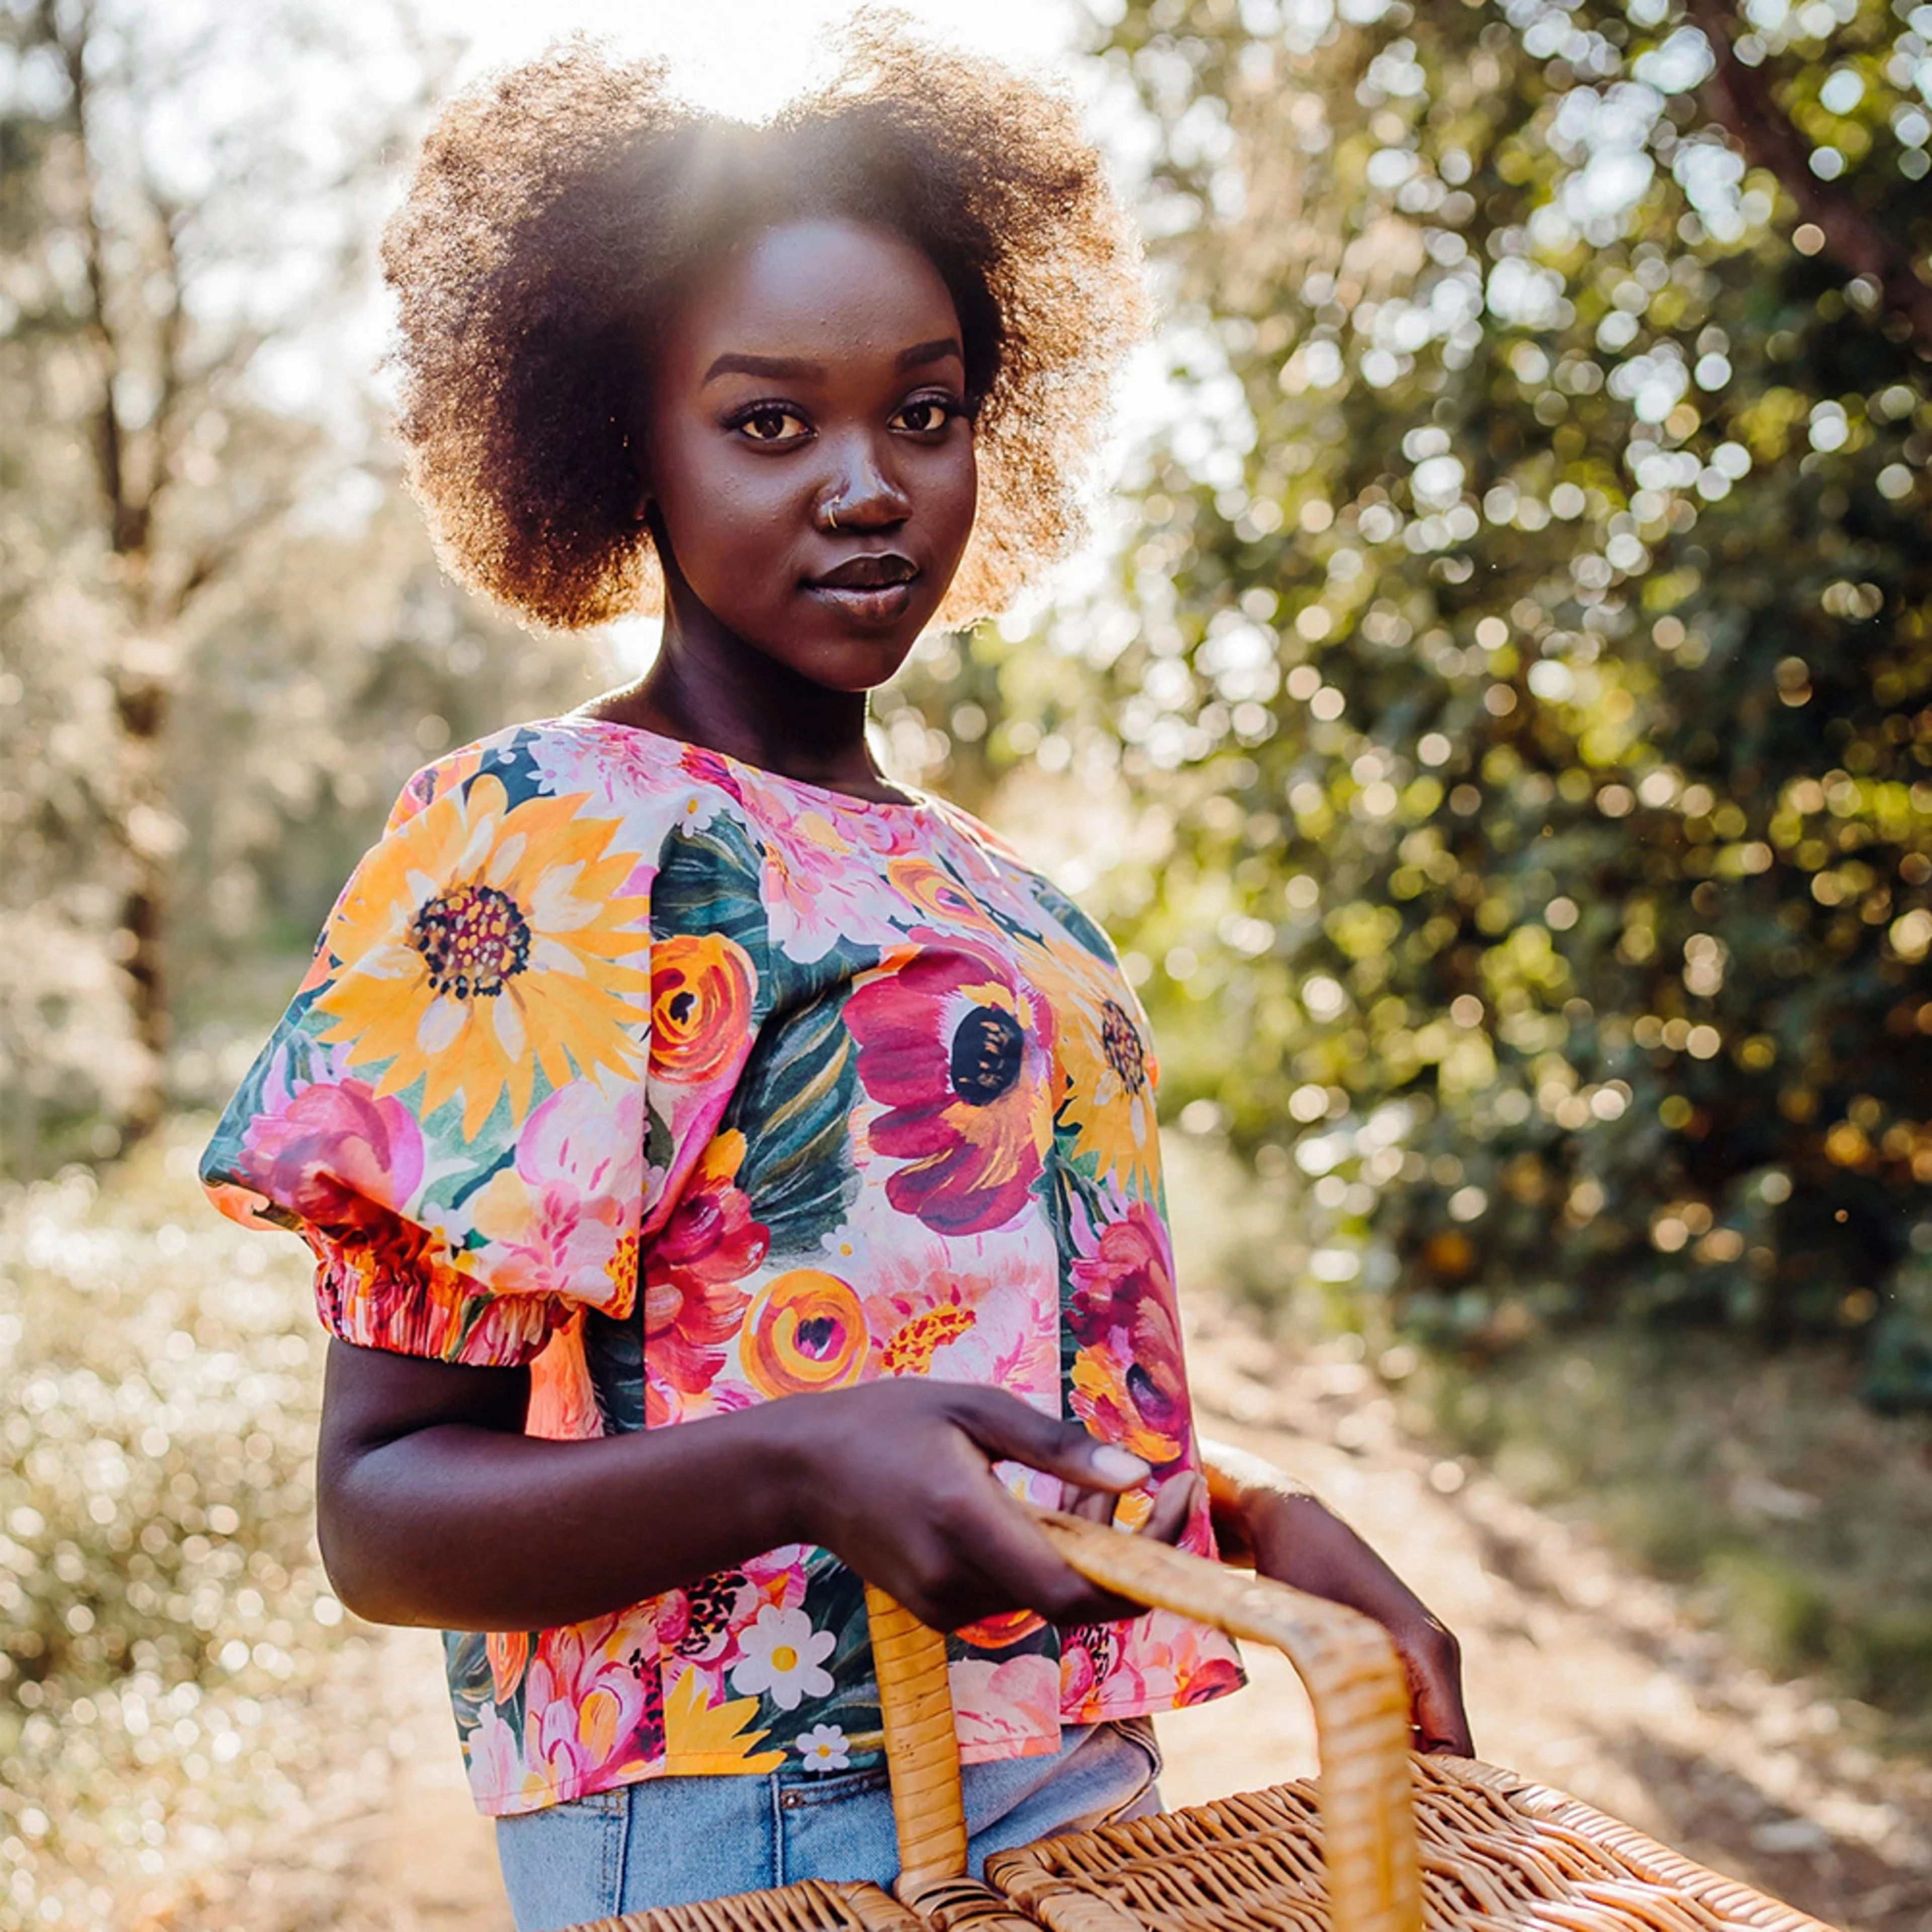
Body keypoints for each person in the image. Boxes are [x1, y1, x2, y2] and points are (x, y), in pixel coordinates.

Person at [200, 25, 1469, 1932]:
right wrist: (796, 1460)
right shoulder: (552, 835)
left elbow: (967, 1379)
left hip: (1075, 1782)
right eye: (771, 422)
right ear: (623, 443)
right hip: (748, 1825)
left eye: (927, 412)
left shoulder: (1004, 893)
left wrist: (1250, 1513)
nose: (870, 485)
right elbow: (382, 1515)